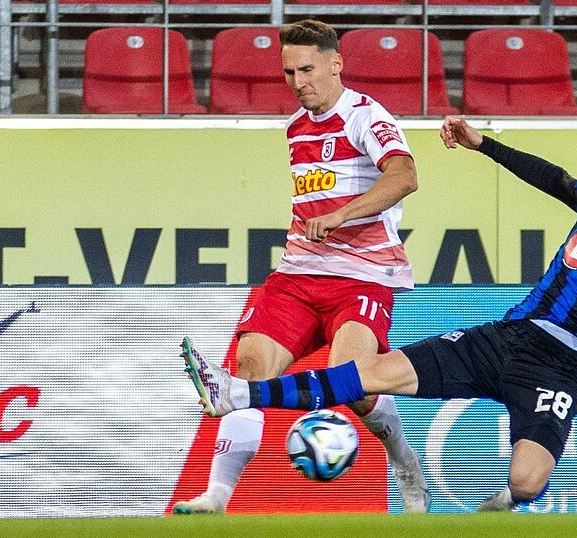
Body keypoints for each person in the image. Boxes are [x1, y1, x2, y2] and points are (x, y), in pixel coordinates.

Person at [182, 117, 577, 511]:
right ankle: (236, 393)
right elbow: (547, 175)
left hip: (563, 369)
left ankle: (504, 507)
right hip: (509, 336)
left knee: (527, 483)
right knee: (370, 375)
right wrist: (481, 143)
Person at [173, 19, 430, 515]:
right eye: (289, 72)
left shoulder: (364, 115)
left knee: (349, 384)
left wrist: (340, 214)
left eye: (307, 69)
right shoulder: (295, 127)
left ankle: (403, 460)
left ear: (336, 65)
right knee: (246, 374)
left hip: (362, 274)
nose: (298, 82)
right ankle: (217, 497)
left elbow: (405, 176)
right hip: (297, 275)